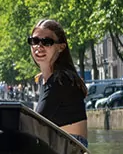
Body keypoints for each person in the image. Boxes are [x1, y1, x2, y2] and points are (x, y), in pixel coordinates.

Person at [29, 18, 89, 147]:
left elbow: (37, 123)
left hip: (71, 150)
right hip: (55, 146)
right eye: (34, 41)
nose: (39, 47)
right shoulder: (42, 80)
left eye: (47, 42)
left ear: (61, 47)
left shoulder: (62, 80)